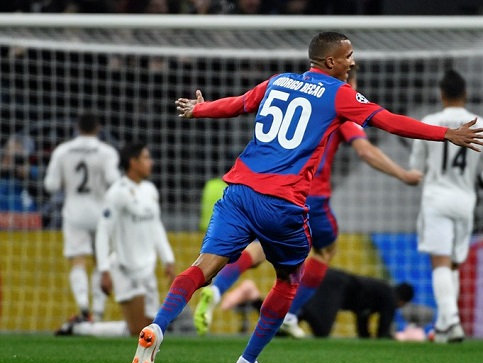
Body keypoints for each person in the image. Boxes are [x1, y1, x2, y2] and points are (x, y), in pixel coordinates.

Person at [131, 31, 483, 363]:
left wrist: (200, 109)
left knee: (202, 267)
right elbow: (388, 120)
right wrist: (445, 134)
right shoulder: (338, 95)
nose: (353, 61)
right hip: (282, 203)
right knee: (289, 280)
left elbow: (239, 104)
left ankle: (158, 326)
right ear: (330, 61)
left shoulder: (279, 80)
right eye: (348, 55)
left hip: (239, 191)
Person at [193, 68, 424, 338]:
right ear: (348, 82)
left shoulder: (297, 93)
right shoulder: (340, 104)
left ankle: (217, 287)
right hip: (308, 195)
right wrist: (403, 174)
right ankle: (290, 314)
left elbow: (244, 104)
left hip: (269, 188)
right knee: (326, 249)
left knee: (259, 249)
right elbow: (365, 150)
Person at [409, 69, 483, 344]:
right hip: (465, 200)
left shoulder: (430, 122)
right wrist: (482, 181)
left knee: (440, 261)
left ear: (441, 94)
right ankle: (442, 328)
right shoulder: (480, 122)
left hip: (436, 198)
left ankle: (452, 321)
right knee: (453, 264)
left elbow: (416, 169)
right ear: (466, 94)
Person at [55, 143, 176, 337]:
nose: (150, 162)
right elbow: (103, 232)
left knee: (148, 330)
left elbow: (156, 227)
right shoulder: (117, 193)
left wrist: (167, 259)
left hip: (147, 268)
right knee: (139, 331)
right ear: (133, 163)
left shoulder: (150, 190)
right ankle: (80, 328)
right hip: (124, 268)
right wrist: (104, 269)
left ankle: (80, 327)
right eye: (146, 158)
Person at [43, 113, 121, 323]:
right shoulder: (106, 152)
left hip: (74, 212)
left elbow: (50, 185)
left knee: (78, 261)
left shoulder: (62, 150)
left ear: (77, 127)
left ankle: (83, 306)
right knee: (101, 261)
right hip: (100, 213)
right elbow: (114, 180)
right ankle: (97, 311)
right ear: (98, 128)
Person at [218, 269, 414, 339]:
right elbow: (382, 332)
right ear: (402, 301)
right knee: (321, 330)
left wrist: (365, 337)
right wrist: (395, 338)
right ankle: (255, 295)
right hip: (335, 284)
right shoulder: (389, 296)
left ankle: (253, 296)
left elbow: (363, 322)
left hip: (331, 282)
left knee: (283, 329)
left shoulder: (379, 295)